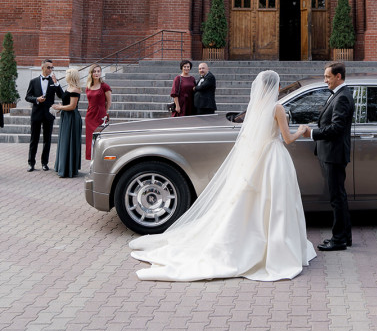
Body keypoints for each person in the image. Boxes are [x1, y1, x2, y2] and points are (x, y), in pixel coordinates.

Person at [130, 70, 316, 281]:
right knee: (276, 204)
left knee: (253, 202)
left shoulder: (255, 106)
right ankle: (276, 246)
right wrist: (301, 130)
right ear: (276, 85)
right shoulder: (277, 108)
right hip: (274, 158)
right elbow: (288, 138)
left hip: (257, 160)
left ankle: (251, 242)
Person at [304, 62, 355, 251]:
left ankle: (339, 239)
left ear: (338, 77)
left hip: (334, 154)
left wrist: (312, 133)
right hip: (332, 153)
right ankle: (345, 237)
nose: (325, 80)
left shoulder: (342, 97)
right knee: (339, 197)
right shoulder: (339, 94)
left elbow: (337, 128)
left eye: (328, 77)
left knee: (337, 198)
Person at [25, 59, 64, 171]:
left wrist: (56, 83)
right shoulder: (34, 81)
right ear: (42, 67)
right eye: (48, 67)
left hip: (48, 114)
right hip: (36, 114)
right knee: (34, 139)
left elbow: (61, 95)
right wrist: (36, 99)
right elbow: (27, 97)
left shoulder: (53, 81)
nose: (50, 69)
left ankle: (44, 163)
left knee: (47, 139)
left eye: (52, 68)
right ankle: (31, 163)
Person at [53, 67, 82, 178]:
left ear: (71, 76)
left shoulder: (75, 89)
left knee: (69, 141)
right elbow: (62, 96)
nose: (65, 76)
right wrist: (56, 83)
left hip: (72, 117)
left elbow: (72, 106)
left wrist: (59, 107)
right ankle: (63, 167)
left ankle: (68, 169)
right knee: (65, 140)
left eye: (67, 74)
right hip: (66, 116)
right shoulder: (70, 87)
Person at [85, 63, 112, 161]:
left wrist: (104, 113)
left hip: (100, 116)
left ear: (101, 72)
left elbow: (109, 102)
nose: (96, 73)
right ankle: (92, 162)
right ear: (91, 73)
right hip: (90, 116)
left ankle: (100, 162)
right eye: (94, 71)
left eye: (98, 71)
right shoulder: (88, 86)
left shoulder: (105, 86)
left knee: (99, 140)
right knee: (90, 140)